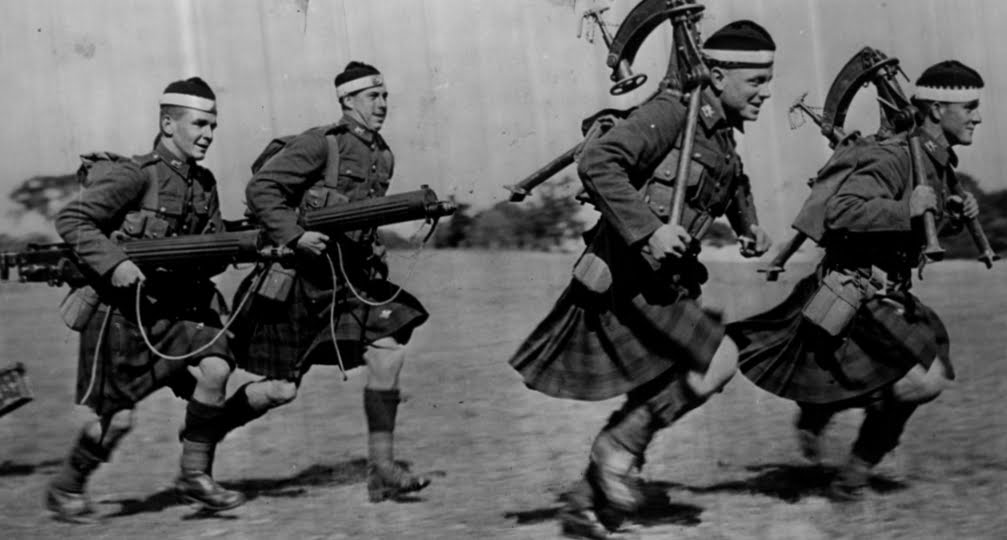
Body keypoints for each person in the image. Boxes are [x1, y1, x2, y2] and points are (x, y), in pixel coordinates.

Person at [508, 21, 776, 538]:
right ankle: (616, 451)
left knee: (670, 380)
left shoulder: (719, 133)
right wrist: (649, 232)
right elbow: (599, 163)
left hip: (663, 280)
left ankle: (587, 509)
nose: (765, 91)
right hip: (628, 272)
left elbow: (731, 180)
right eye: (756, 80)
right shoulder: (672, 113)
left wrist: (750, 227)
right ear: (716, 75)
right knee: (717, 361)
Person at [726, 60, 983, 500]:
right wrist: (906, 209)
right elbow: (841, 211)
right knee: (924, 379)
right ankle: (844, 452)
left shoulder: (937, 162)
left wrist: (954, 218)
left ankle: (847, 468)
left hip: (889, 291)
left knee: (918, 378)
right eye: (970, 107)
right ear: (937, 110)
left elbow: (922, 229)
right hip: (854, 288)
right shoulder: (892, 156)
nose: (977, 116)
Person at [224, 61, 431, 502]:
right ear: (347, 102)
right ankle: (207, 429)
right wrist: (296, 235)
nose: (383, 104)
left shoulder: (383, 154)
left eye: (386, 95)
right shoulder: (321, 144)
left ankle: (382, 469)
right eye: (373, 96)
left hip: (348, 282)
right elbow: (261, 191)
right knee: (280, 390)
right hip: (297, 282)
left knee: (388, 349)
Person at [47, 77, 246, 522]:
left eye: (213, 125)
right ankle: (65, 488)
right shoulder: (136, 175)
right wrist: (114, 262)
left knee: (216, 367)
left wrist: (240, 247)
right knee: (116, 421)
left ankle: (194, 476)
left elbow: (209, 250)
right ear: (167, 123)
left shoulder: (204, 183)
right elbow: (73, 219)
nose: (208, 134)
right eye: (199, 124)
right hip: (121, 315)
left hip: (174, 312)